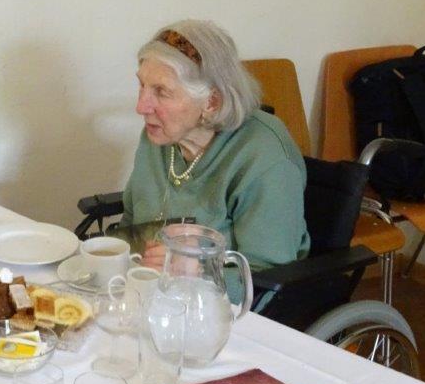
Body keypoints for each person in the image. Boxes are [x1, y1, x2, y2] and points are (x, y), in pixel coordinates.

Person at [121, 19, 310, 282]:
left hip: (220, 302)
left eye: (161, 92)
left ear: (211, 102)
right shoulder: (159, 136)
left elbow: (269, 278)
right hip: (144, 286)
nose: (141, 107)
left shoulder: (265, 158)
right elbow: (131, 222)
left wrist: (198, 273)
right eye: (142, 85)